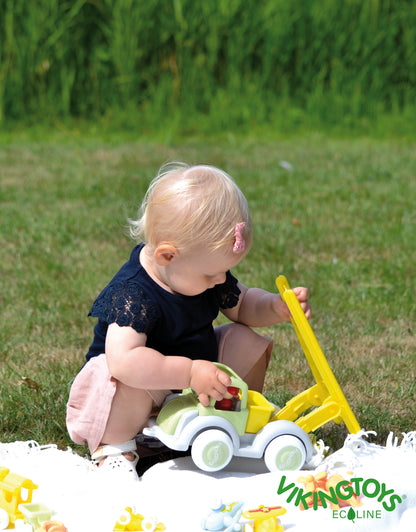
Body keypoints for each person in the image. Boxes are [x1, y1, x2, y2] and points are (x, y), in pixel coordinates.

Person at [66, 162, 311, 479]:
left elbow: (244, 304)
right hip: (140, 391)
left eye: (223, 271)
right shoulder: (134, 294)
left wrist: (275, 307)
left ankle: (233, 422)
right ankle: (116, 450)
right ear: (167, 256)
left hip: (195, 386)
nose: (221, 279)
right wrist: (190, 371)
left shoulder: (199, 272)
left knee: (244, 339)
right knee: (120, 377)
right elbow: (124, 362)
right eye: (211, 273)